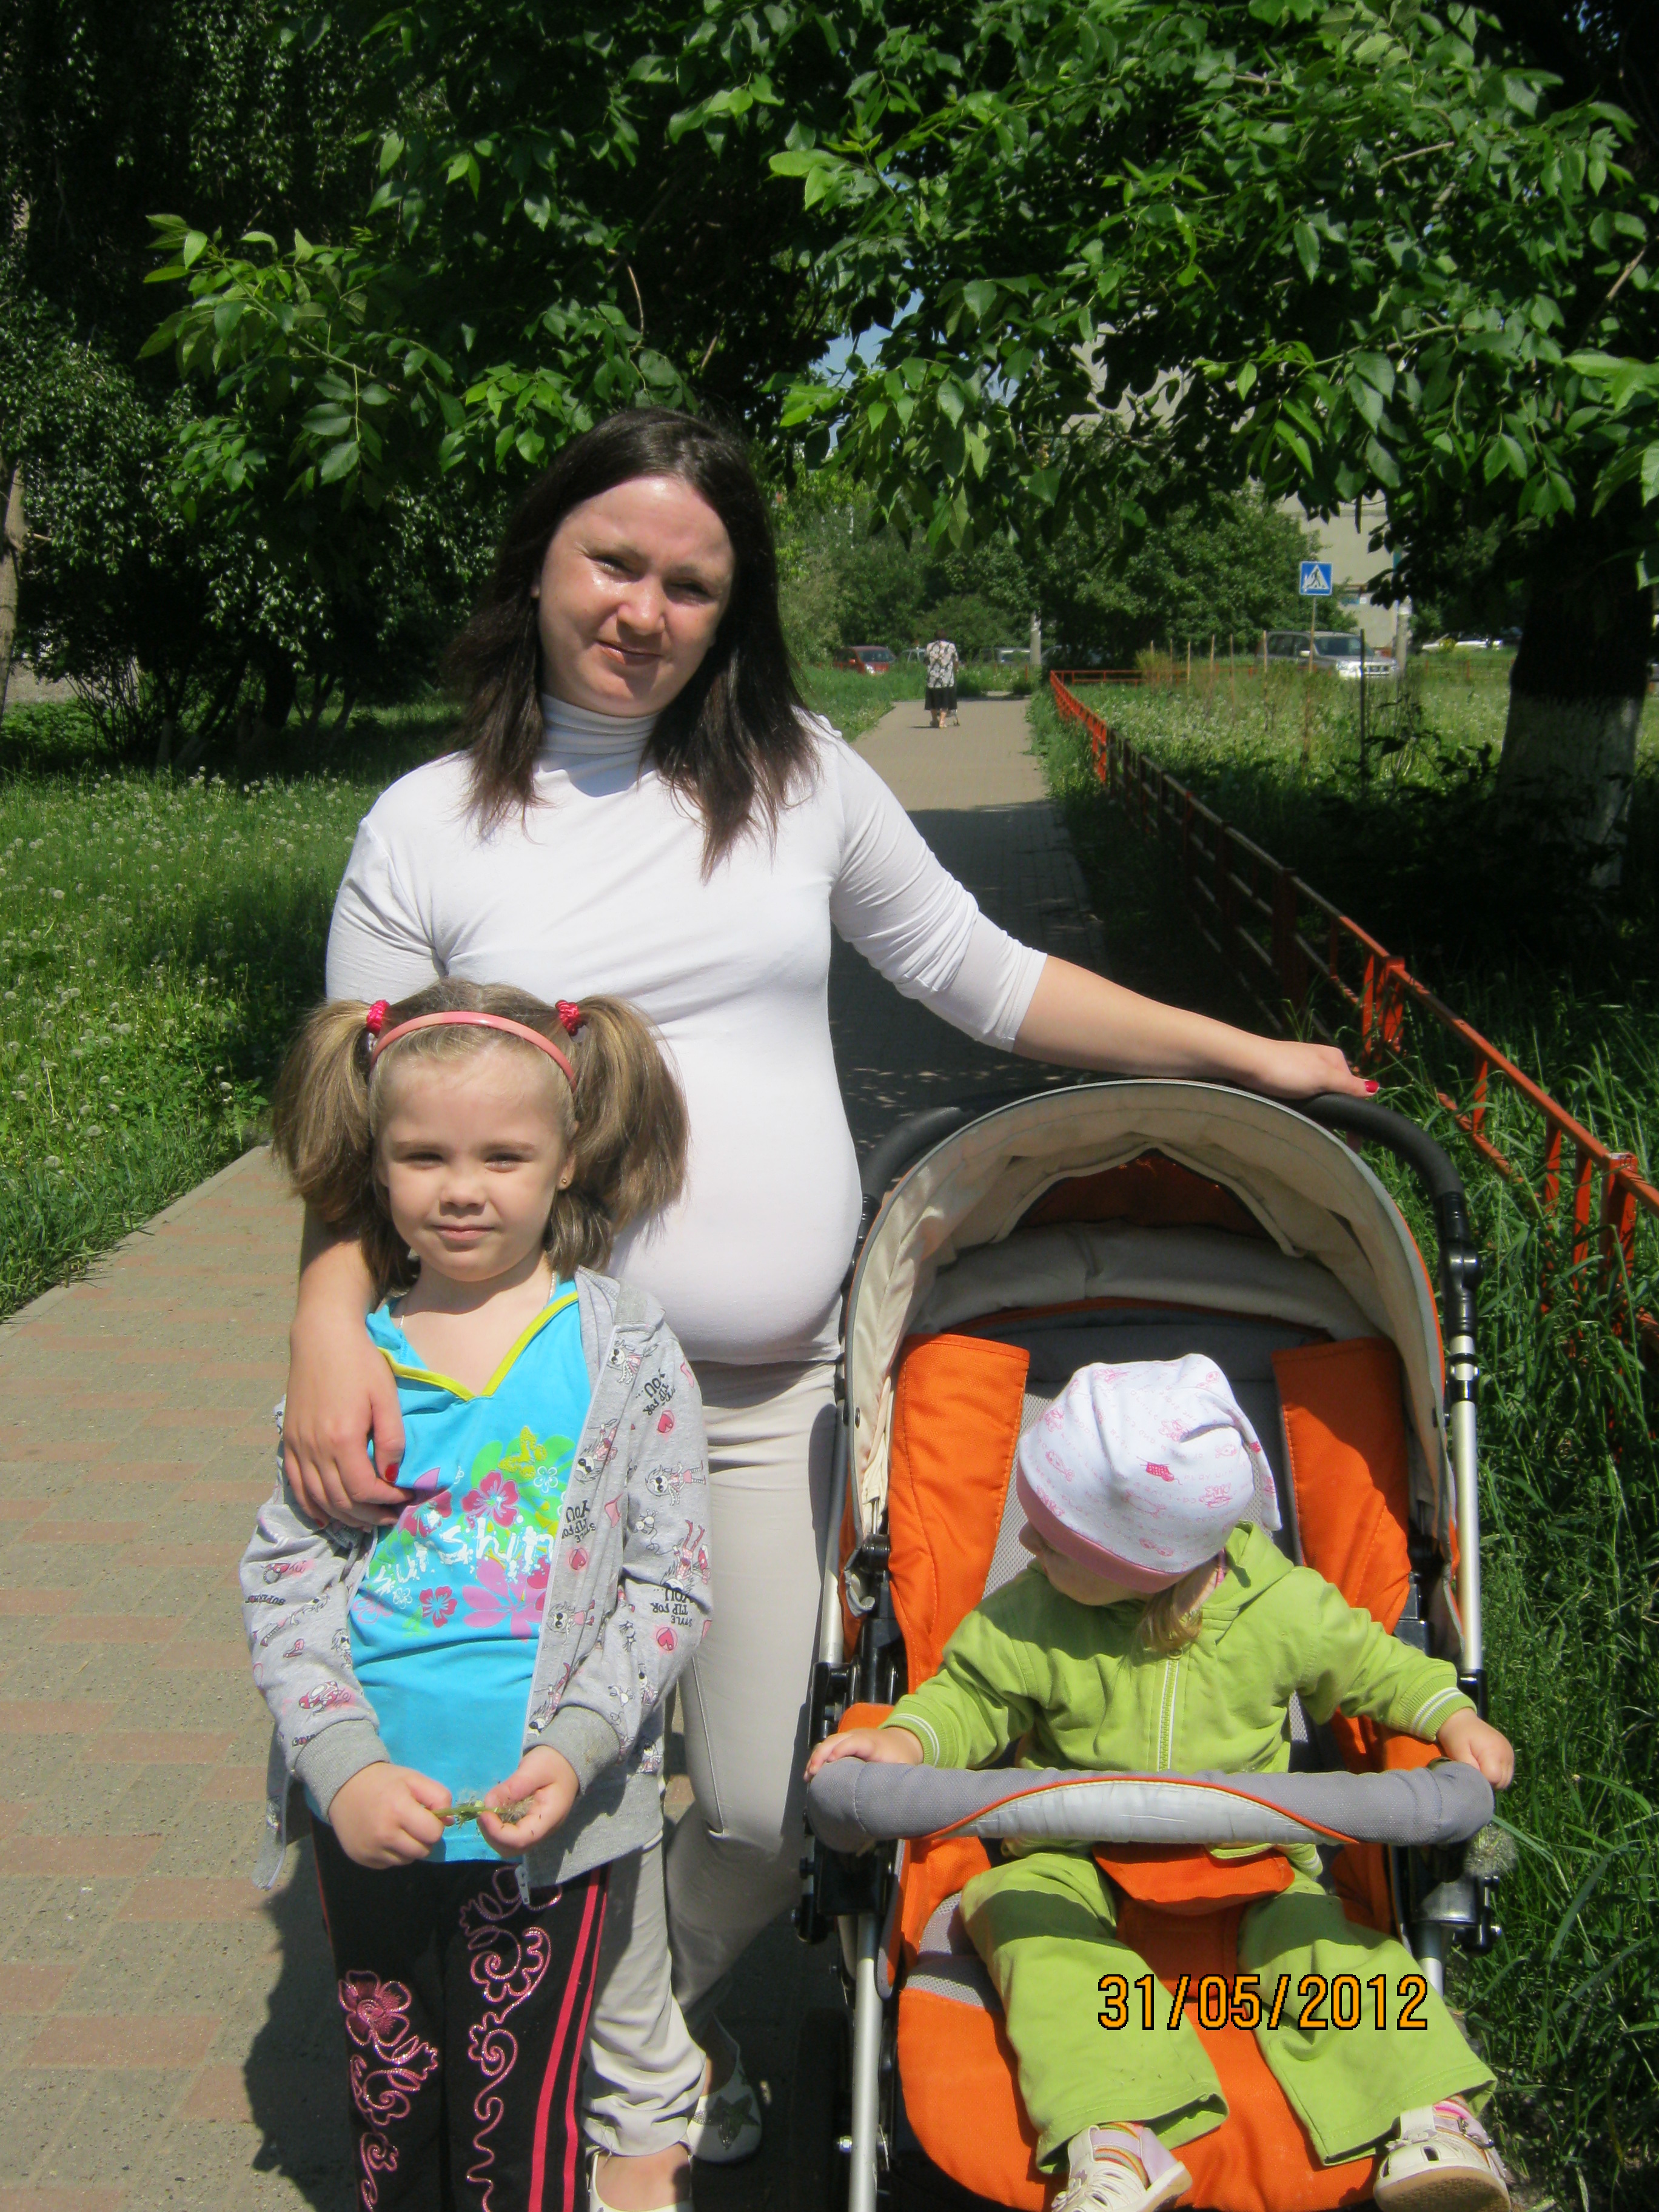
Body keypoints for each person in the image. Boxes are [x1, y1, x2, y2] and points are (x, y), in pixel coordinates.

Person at [276, 407, 1375, 2179]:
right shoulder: (423, 827)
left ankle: (637, 2028)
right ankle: (632, 2113)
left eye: (690, 584)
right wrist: (329, 1328)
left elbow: (983, 976)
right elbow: (358, 1133)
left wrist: (1249, 1057)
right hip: (513, 1419)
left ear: (733, 612)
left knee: (766, 1799)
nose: (642, 609)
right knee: (547, 1780)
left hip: (768, 1394)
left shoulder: (796, 777)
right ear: (541, 563)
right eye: (612, 562)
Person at [811, 1356, 1515, 2212]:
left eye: (1052, 1539)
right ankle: (1118, 2140)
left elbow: (1376, 1668)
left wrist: (1451, 1716)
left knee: (1330, 1955)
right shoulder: (1034, 1612)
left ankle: (1429, 2114)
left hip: (1249, 1860)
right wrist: (906, 1737)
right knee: (1028, 1930)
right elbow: (970, 1695)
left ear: (1144, 1561)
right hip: (1073, 1856)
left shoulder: (1280, 1607)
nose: (1026, 1547)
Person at [242, 980, 712, 2212]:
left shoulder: (624, 1353)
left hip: (544, 1819)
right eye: (424, 1156)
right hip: (375, 1814)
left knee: (522, 2132)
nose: (463, 1189)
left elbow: (669, 1580)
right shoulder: (356, 1362)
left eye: (503, 1157)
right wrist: (341, 1767)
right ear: (375, 1165)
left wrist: (579, 1745)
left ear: (569, 1157)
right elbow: (286, 1578)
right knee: (392, 2109)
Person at [924, 625, 960, 726]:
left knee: (932, 700)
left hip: (933, 678)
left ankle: (935, 720)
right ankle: (942, 721)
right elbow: (956, 660)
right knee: (946, 699)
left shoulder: (929, 646)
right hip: (946, 678)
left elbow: (926, 661)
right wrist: (956, 670)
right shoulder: (951, 646)